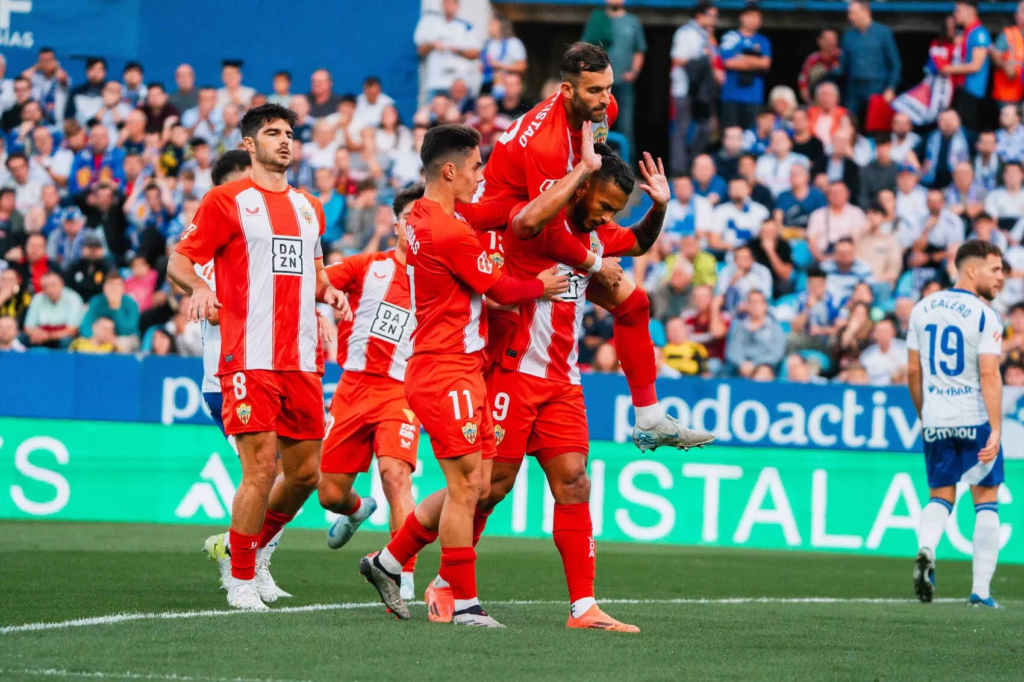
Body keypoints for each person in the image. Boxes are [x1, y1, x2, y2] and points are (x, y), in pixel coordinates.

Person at [357, 124, 569, 627]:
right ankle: (464, 602)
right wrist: (539, 284)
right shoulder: (447, 230)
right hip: (444, 369)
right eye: (476, 167)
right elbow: (498, 287)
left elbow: (493, 213)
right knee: (466, 487)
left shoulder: (425, 216)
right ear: (449, 170)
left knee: (477, 482)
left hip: (457, 366)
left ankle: (387, 562)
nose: (481, 176)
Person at [478, 41, 711, 451]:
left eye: (608, 87)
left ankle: (650, 418)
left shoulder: (601, 112)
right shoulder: (547, 143)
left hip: (549, 216)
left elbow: (597, 194)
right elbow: (536, 227)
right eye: (595, 91)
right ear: (567, 91)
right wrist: (594, 261)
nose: (606, 99)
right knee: (490, 482)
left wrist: (618, 211)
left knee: (634, 303)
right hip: (504, 232)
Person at [167, 104, 351, 612]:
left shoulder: (309, 206)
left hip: (300, 359)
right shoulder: (226, 200)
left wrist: (330, 292)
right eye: (273, 134)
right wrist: (202, 287)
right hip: (248, 355)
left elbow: (314, 274)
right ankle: (242, 577)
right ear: (250, 145)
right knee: (260, 467)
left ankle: (253, 551)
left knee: (307, 475)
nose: (285, 141)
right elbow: (178, 261)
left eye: (289, 134)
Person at [907, 239, 1005, 608]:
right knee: (986, 501)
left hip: (935, 415)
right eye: (995, 270)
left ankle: (927, 549)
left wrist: (923, 413)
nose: (1000, 279)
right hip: (974, 416)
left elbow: (913, 371)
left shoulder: (922, 308)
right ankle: (980, 591)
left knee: (940, 496)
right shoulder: (985, 315)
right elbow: (989, 374)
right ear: (971, 269)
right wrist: (995, 429)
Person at [582, 0, 647, 155]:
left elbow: (639, 49)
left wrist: (634, 73)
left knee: (625, 125)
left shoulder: (632, 22)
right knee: (596, 123)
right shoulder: (597, 18)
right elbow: (584, 48)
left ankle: (626, 166)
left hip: (623, 82)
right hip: (599, 84)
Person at [669, 1, 718, 176]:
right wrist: (699, 62)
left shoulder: (704, 35)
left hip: (701, 93)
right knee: (681, 130)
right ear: (700, 15)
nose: (715, 20)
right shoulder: (686, 33)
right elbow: (677, 59)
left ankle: (693, 166)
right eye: (712, 15)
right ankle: (679, 171)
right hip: (684, 90)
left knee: (705, 128)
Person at [835, 0, 901, 122]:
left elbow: (895, 64)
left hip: (877, 88)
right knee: (848, 122)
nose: (850, 17)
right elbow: (843, 67)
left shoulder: (883, 33)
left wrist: (891, 88)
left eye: (853, 13)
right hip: (854, 89)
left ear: (865, 11)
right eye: (849, 13)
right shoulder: (848, 36)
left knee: (876, 125)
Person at [718, 2, 771, 131]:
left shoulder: (763, 41)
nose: (754, 20)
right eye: (751, 16)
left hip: (753, 98)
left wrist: (741, 56)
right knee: (731, 135)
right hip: (731, 96)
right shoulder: (731, 37)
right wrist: (755, 61)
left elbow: (765, 64)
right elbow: (727, 62)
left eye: (757, 17)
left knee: (750, 135)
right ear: (742, 17)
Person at [414, 0, 482, 101]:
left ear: (457, 6)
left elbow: (475, 53)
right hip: (436, 81)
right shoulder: (429, 23)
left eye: (452, 3)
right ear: (442, 5)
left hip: (460, 82)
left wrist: (455, 50)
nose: (449, 6)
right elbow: (420, 50)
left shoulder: (466, 26)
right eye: (446, 3)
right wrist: (432, 45)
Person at [942, 0, 990, 132]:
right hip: (960, 88)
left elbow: (976, 66)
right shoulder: (965, 33)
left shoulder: (979, 33)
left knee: (968, 131)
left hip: (973, 91)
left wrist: (948, 69)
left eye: (958, 10)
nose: (955, 14)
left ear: (971, 11)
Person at [725, 289, 785, 377]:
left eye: (758, 302)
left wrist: (755, 364)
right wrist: (742, 364)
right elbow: (732, 351)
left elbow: (776, 353)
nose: (755, 306)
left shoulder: (775, 328)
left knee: (763, 372)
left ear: (765, 305)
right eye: (752, 302)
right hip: (740, 368)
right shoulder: (738, 327)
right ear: (747, 305)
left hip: (764, 366)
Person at [806, 181, 867, 262]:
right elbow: (812, 242)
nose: (837, 195)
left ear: (847, 194)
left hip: (850, 259)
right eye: (833, 193)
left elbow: (859, 240)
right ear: (828, 195)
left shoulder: (856, 213)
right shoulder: (818, 215)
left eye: (840, 192)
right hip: (823, 258)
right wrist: (822, 259)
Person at [23, 269, 83, 348]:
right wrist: (38, 334)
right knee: (22, 338)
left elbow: (73, 330)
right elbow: (28, 326)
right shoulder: (38, 298)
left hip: (61, 337)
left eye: (53, 285)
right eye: (45, 287)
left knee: (65, 341)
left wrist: (48, 336)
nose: (49, 289)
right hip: (40, 335)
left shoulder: (73, 298)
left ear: (62, 283)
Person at [480, 12, 527, 98]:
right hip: (487, 83)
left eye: (493, 23)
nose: (489, 25)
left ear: (501, 25)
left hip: (505, 86)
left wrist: (500, 66)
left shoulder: (513, 43)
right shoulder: (487, 44)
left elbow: (522, 66)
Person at [775, 162, 827, 239]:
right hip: (787, 238)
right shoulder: (782, 196)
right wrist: (795, 233)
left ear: (807, 176)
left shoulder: (818, 196)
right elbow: (777, 222)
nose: (793, 177)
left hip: (813, 238)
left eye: (797, 174)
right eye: (791, 174)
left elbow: (822, 221)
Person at [754, 129, 810, 198]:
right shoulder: (762, 160)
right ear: (770, 144)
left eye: (781, 140)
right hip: (767, 198)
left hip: (791, 197)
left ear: (790, 143)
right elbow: (759, 180)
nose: (778, 143)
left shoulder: (801, 160)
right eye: (774, 140)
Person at [990, 1, 1024, 110]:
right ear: (1016, 16)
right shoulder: (1007, 35)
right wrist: (1006, 66)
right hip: (1008, 96)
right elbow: (995, 56)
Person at [798, 30, 841, 104]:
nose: (830, 42)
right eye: (827, 39)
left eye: (833, 39)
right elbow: (803, 82)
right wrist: (809, 102)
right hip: (817, 101)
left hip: (840, 101)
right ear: (819, 41)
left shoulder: (843, 57)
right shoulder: (812, 59)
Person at [64, 57, 106, 126]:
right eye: (92, 69)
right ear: (87, 72)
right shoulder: (76, 93)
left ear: (104, 72)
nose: (96, 73)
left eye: (99, 69)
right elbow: (69, 117)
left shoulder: (109, 93)